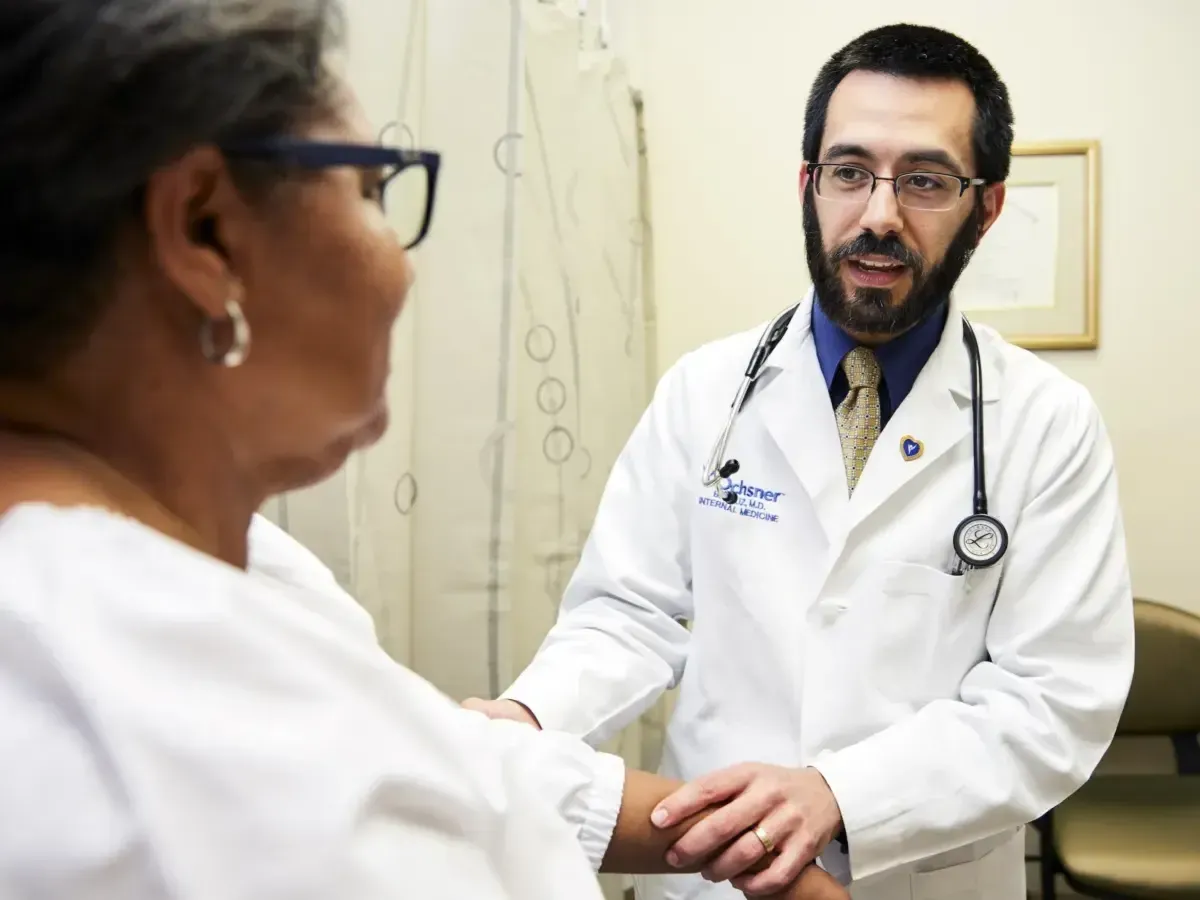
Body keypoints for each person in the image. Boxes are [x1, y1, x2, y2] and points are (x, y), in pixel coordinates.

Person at [0, 2, 851, 899]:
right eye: (374, 189)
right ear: (205, 228)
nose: (404, 267)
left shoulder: (243, 576)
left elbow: (449, 761)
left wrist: (757, 850)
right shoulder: (183, 679)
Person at [466, 23, 1135, 900]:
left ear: (988, 205)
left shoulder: (1048, 424)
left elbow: (1053, 704)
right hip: (712, 872)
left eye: (925, 180)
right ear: (809, 185)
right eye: (849, 171)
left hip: (922, 878)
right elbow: (629, 613)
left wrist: (841, 794)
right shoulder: (703, 392)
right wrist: (531, 713)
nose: (879, 214)